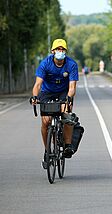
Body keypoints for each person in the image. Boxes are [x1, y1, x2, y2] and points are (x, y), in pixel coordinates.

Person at [30, 38, 79, 169]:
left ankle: (68, 145)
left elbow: (72, 87)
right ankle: (47, 150)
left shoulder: (71, 65)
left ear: (66, 51)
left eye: (62, 49)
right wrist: (35, 96)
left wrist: (69, 98)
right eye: (58, 49)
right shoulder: (45, 64)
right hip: (47, 92)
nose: (60, 52)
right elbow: (38, 84)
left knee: (66, 113)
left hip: (64, 92)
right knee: (46, 122)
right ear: (53, 51)